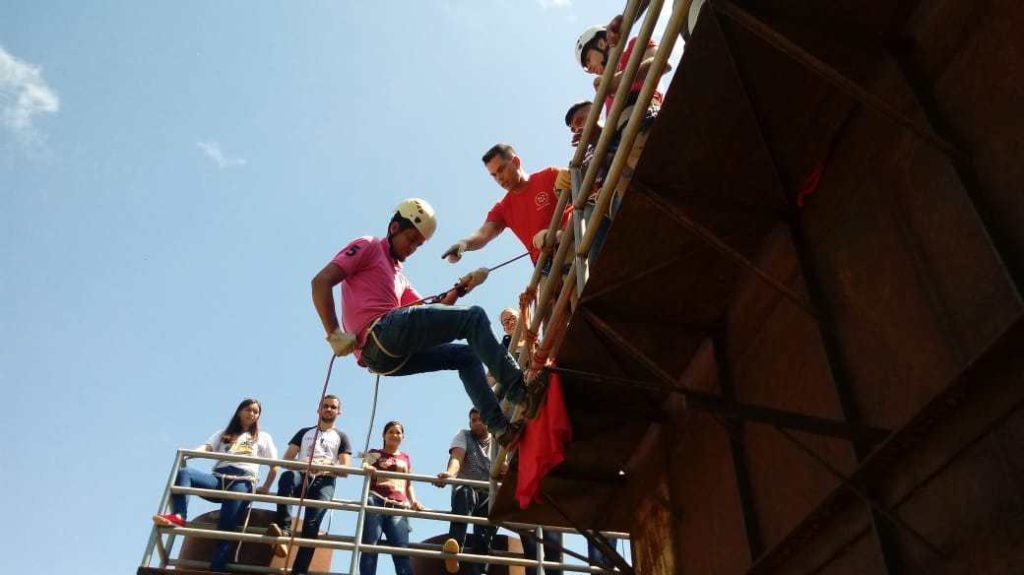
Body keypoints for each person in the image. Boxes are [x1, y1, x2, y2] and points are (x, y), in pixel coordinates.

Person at [311, 198, 537, 444]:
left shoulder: (400, 278)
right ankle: (520, 392)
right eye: (411, 239)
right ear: (395, 228)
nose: (412, 248)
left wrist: (462, 288)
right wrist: (333, 333)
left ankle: (500, 429)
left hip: (389, 358)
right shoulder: (369, 245)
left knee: (468, 357)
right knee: (474, 317)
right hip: (382, 333)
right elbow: (321, 282)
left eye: (418, 245)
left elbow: (432, 313)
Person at [152, 398, 278, 573]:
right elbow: (208, 447)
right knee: (185, 474)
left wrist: (265, 486)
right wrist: (190, 454)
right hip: (219, 478)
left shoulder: (263, 437)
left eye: (256, 412)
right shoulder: (224, 433)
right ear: (239, 411)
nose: (252, 414)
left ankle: (215, 570)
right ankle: (179, 516)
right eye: (248, 410)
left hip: (242, 482)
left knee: (225, 529)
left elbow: (275, 465)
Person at [442, 145, 573, 268]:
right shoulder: (503, 208)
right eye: (494, 175)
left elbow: (581, 187)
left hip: (570, 245)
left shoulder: (549, 175)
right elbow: (483, 234)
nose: (499, 178)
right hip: (545, 269)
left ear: (516, 162)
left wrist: (570, 174)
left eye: (501, 170)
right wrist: (463, 244)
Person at [268, 395, 353, 575]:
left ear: (339, 412)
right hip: (301, 474)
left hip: (325, 479)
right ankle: (283, 531)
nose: (329, 409)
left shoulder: (341, 437)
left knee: (311, 525)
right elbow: (287, 460)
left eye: (333, 407)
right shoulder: (304, 432)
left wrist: (328, 466)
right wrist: (303, 463)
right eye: (325, 406)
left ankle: (299, 571)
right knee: (286, 478)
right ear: (319, 409)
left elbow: (346, 469)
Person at [575, 14, 671, 135]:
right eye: (586, 67)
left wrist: (618, 80)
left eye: (588, 59)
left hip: (646, 112)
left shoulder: (634, 45)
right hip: (624, 135)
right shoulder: (606, 92)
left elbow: (662, 63)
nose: (589, 67)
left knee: (627, 117)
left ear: (601, 44)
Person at [434, 408, 500, 575]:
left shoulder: (498, 440)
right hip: (468, 488)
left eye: (480, 419)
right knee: (464, 493)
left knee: (483, 535)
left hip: (489, 493)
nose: (476, 423)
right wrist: (449, 474)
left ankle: (480, 571)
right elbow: (457, 458)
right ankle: (454, 550)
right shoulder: (464, 435)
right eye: (473, 420)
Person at [359, 421, 424, 575]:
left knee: (401, 552)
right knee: (370, 546)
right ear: (384, 435)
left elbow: (408, 484)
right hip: (376, 500)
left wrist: (414, 501)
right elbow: (364, 464)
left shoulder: (405, 457)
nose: (394, 435)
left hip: (399, 505)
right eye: (391, 432)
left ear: (402, 437)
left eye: (398, 432)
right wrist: (368, 467)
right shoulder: (374, 452)